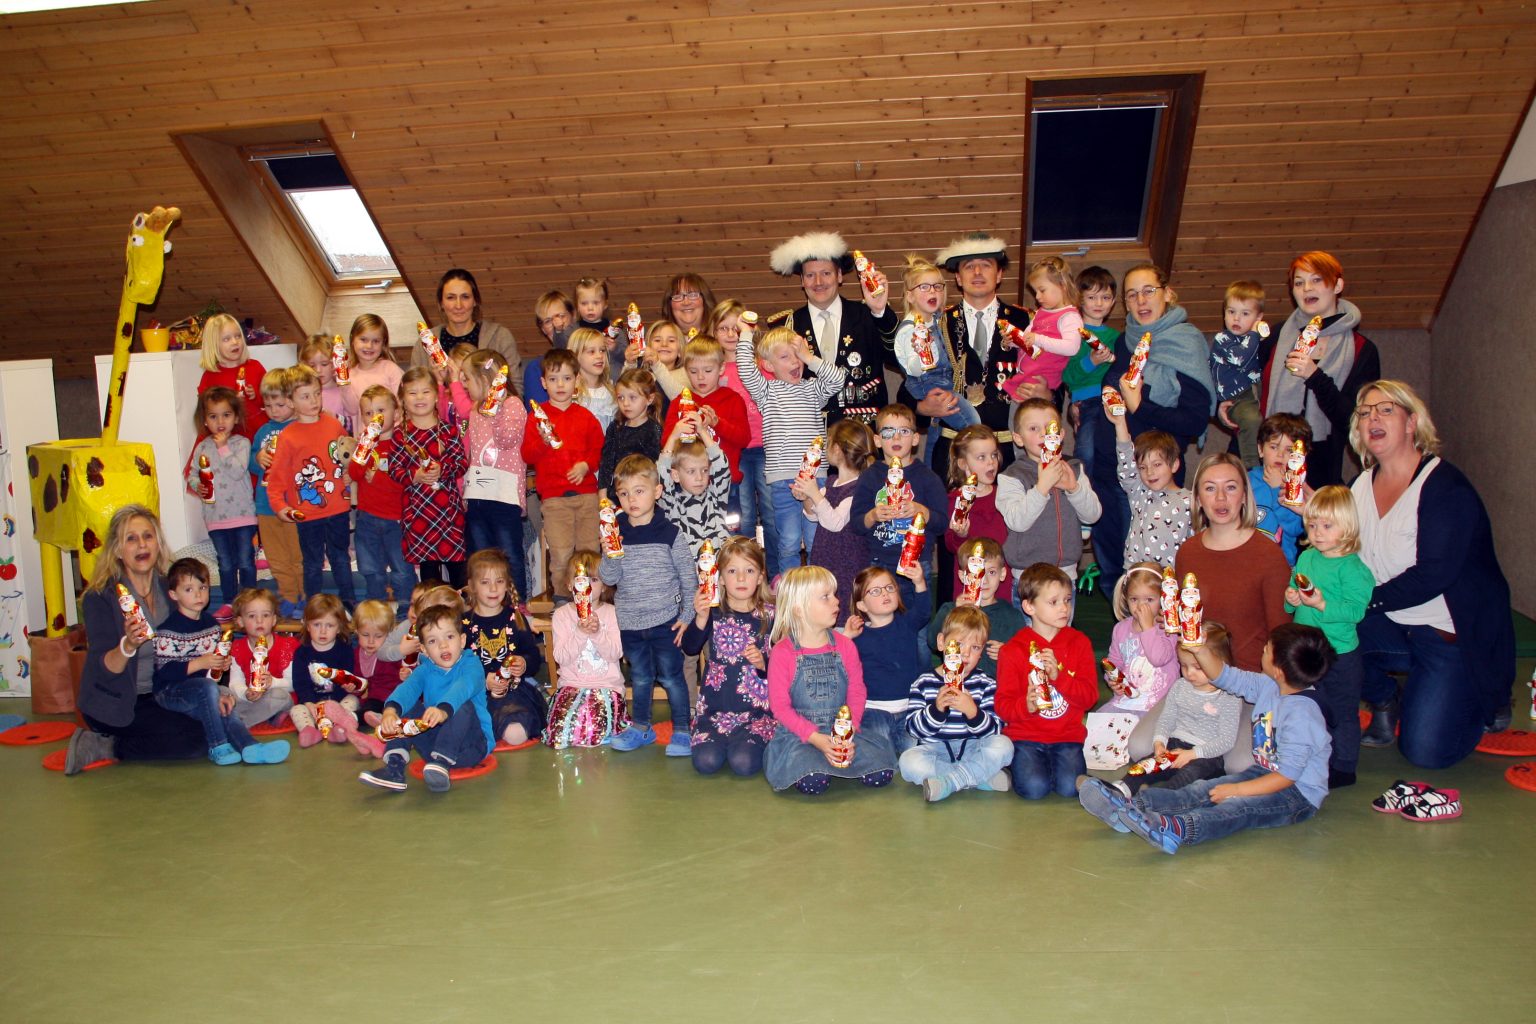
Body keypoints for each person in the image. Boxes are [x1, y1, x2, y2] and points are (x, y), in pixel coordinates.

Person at [1349, 380, 1515, 769]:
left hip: (1447, 634)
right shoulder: (1359, 485)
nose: (1373, 417)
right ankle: (1387, 700)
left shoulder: (1445, 487)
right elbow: (1343, 551)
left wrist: (1362, 601)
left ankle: (1482, 693)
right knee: (1322, 628)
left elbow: (1432, 575)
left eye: (1386, 409)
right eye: (1365, 412)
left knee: (1426, 752)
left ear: (1411, 423)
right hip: (1392, 624)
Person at [1079, 623, 1335, 855]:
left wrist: (1237, 790)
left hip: (1296, 794)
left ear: (1278, 670)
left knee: (1236, 808)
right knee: (1203, 791)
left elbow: (1287, 776)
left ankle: (1176, 829)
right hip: (1264, 771)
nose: (1263, 650)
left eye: (1267, 648)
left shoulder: (1302, 715)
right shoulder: (1269, 686)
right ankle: (1130, 807)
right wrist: (1199, 649)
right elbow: (1225, 676)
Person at [1088, 263, 1215, 593]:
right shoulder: (1124, 343)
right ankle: (1123, 635)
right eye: (1132, 295)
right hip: (1108, 466)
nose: (1141, 300)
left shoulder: (1186, 343)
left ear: (1167, 294)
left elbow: (1194, 420)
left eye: (1149, 291)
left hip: (1151, 477)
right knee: (1112, 562)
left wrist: (1140, 405)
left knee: (1147, 573)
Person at [66, 507, 217, 772]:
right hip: (118, 700)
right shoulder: (100, 597)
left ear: (158, 543)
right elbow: (105, 668)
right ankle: (105, 746)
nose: (142, 545)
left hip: (163, 693)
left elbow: (192, 649)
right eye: (131, 539)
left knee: (215, 724)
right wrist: (128, 645)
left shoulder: (171, 589)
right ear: (117, 549)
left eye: (147, 536)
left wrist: (216, 691)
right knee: (195, 742)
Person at [763, 566, 896, 795]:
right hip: (801, 736)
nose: (836, 602)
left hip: (842, 730)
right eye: (825, 597)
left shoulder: (845, 645)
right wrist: (817, 739)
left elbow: (856, 691)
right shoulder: (783, 652)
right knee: (812, 780)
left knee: (882, 771)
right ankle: (816, 763)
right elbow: (780, 708)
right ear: (798, 609)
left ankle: (838, 756)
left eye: (833, 595)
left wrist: (849, 731)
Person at [600, 454, 696, 756]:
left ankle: (682, 729)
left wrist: (687, 615)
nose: (631, 499)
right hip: (630, 623)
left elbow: (688, 576)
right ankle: (641, 727)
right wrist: (610, 552)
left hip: (666, 622)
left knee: (671, 676)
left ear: (657, 491)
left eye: (639, 491)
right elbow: (608, 577)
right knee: (640, 678)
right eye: (624, 493)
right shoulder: (615, 531)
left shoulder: (670, 533)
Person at [1259, 251, 1380, 488]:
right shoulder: (1276, 337)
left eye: (1316, 280)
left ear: (1337, 285)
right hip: (1272, 468)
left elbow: (1354, 419)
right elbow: (1253, 389)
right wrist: (1229, 402)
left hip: (1322, 474)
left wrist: (1315, 376)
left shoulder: (1361, 349)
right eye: (1299, 283)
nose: (1307, 289)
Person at [151, 558, 288, 765]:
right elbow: (165, 673)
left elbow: (216, 672)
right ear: (173, 595)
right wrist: (201, 663)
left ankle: (250, 747)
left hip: (204, 691)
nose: (198, 594)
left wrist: (222, 672)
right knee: (207, 689)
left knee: (225, 710)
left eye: (203, 587)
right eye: (188, 589)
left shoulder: (212, 625)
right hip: (170, 692)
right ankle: (218, 746)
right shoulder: (168, 629)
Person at [734, 324, 847, 575]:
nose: (795, 362)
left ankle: (818, 589)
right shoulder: (767, 392)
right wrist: (745, 333)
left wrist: (810, 357)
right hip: (782, 478)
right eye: (785, 357)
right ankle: (789, 590)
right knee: (789, 542)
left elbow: (838, 379)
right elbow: (745, 369)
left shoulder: (813, 389)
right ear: (769, 366)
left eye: (798, 356)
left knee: (817, 539)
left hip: (815, 479)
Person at [1286, 485, 1374, 787]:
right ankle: (1308, 755)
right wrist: (1292, 597)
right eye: (1312, 525)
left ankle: (1344, 767)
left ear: (1347, 527)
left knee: (1342, 712)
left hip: (1339, 654)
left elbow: (1354, 611)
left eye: (1327, 525)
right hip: (1304, 649)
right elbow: (1292, 590)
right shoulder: (1308, 558)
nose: (1318, 532)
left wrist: (1322, 604)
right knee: (1308, 706)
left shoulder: (1353, 569)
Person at [923, 232, 1031, 479]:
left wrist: (1045, 390)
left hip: (1010, 451)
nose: (978, 273)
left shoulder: (1026, 321)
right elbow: (910, 387)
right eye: (969, 267)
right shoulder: (935, 324)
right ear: (958, 278)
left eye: (986, 265)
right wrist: (922, 406)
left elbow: (1052, 379)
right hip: (953, 451)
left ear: (999, 274)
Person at [765, 230, 897, 426]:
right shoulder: (785, 326)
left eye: (826, 273)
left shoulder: (867, 315)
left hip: (862, 435)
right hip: (808, 435)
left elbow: (897, 359)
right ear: (802, 281)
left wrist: (880, 311)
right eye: (810, 275)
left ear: (840, 276)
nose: (818, 282)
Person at [359, 605, 495, 794]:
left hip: (472, 746)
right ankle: (394, 768)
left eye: (449, 637)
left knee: (464, 706)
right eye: (433, 641)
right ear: (424, 649)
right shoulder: (425, 669)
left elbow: (462, 688)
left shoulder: (472, 665)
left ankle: (441, 763)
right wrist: (390, 712)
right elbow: (407, 689)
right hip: (434, 746)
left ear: (462, 640)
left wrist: (442, 710)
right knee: (408, 706)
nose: (443, 645)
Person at [1175, 454, 1292, 672]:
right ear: (1198, 499)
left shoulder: (1269, 556)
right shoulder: (1187, 553)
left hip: (1251, 683)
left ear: (1245, 496)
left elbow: (1282, 636)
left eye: (1230, 488)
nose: (1220, 498)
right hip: (1196, 678)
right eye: (1210, 488)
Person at [995, 564, 1098, 799]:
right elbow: (1003, 705)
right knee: (1034, 789)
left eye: (1068, 600)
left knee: (1070, 788)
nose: (1064, 608)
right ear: (1029, 606)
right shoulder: (1012, 650)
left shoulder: (1079, 643)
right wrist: (1027, 705)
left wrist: (1059, 678)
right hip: (1026, 737)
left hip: (1067, 736)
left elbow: (1090, 697)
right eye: (1054, 602)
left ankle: (1047, 767)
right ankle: (1011, 767)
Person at [1108, 624, 1242, 797]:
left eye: (1198, 667)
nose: (1189, 673)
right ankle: (1121, 790)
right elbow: (1167, 718)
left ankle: (1155, 799)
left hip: (1206, 756)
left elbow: (1226, 740)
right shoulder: (1180, 686)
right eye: (1184, 666)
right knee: (1143, 766)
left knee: (1187, 777)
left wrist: (1192, 754)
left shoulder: (1229, 696)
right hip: (1175, 744)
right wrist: (1159, 742)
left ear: (1221, 663)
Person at [899, 605, 1013, 802]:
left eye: (975, 647)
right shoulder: (924, 683)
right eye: (958, 645)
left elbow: (996, 728)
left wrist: (973, 713)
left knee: (1004, 745)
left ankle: (950, 782)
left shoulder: (986, 684)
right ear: (942, 643)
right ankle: (977, 777)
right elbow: (914, 730)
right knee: (908, 761)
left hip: (974, 748)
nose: (966, 654)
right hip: (936, 752)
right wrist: (936, 710)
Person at [682, 537, 775, 777]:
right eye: (732, 571)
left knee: (743, 763)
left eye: (749, 570)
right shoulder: (713, 612)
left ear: (761, 575)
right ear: (720, 578)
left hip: (757, 712)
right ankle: (720, 738)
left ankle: (752, 742)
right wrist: (700, 617)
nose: (741, 578)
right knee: (706, 762)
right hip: (715, 710)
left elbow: (787, 665)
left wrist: (764, 663)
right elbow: (690, 648)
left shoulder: (771, 615)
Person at [266, 364, 356, 607]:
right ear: (291, 401)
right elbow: (276, 478)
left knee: (340, 558)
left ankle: (349, 600)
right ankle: (313, 606)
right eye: (305, 396)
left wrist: (348, 474)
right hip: (308, 514)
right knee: (313, 562)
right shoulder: (288, 435)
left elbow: (346, 456)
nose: (314, 400)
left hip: (337, 509)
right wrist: (280, 506)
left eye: (317, 393)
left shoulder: (333, 424)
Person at [520, 349, 603, 600]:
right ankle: (562, 599)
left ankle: (594, 597)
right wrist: (543, 441)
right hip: (554, 500)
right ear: (544, 383)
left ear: (576, 380)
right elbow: (527, 456)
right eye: (554, 379)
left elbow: (599, 450)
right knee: (561, 553)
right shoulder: (537, 417)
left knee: (590, 550)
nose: (560, 385)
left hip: (587, 496)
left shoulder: (586, 417)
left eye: (566, 378)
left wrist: (586, 466)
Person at [997, 398, 1101, 594]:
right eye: (1033, 428)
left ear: (1061, 435)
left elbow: (1093, 515)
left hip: (1066, 575)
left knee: (1063, 625)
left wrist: (1074, 488)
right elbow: (1017, 521)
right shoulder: (1011, 476)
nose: (1043, 434)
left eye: (1049, 427)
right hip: (1028, 577)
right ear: (1018, 438)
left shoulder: (1074, 469)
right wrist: (1041, 487)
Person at [850, 403, 950, 604]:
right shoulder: (869, 477)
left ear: (915, 439)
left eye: (904, 431)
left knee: (917, 623)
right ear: (877, 440)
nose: (896, 438)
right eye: (888, 432)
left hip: (916, 564)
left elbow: (942, 525)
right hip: (877, 563)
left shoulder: (928, 478)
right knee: (879, 623)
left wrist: (922, 511)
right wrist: (873, 515)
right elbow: (856, 523)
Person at [452, 349, 530, 602]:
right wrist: (466, 489)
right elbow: (473, 452)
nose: (463, 384)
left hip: (504, 496)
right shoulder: (474, 409)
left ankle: (517, 605)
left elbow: (507, 440)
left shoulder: (512, 405)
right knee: (479, 553)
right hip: (478, 494)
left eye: (467, 378)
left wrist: (494, 408)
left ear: (486, 380)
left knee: (509, 553)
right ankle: (482, 604)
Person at [890, 254, 978, 463]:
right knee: (972, 422)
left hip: (945, 381)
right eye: (924, 287)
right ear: (910, 296)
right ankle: (972, 462)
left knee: (937, 432)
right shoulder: (909, 329)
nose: (933, 291)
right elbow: (912, 368)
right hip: (928, 384)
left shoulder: (940, 320)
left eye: (937, 287)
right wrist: (920, 354)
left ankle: (931, 472)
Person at [390, 367, 468, 588]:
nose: (419, 398)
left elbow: (462, 464)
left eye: (425, 392)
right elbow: (394, 470)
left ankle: (461, 615)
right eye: (412, 393)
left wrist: (442, 469)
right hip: (419, 515)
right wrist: (415, 475)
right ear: (403, 399)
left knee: (457, 570)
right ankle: (432, 615)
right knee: (429, 573)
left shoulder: (448, 431)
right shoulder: (399, 435)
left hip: (449, 513)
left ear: (436, 396)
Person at [844, 563, 931, 758]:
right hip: (873, 710)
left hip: (909, 707)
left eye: (890, 588)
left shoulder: (906, 623)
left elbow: (924, 611)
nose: (885, 593)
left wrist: (919, 582)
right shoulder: (858, 635)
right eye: (875, 591)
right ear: (862, 605)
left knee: (912, 751)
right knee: (879, 753)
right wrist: (847, 638)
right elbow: (837, 661)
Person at [462, 548, 546, 748]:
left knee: (516, 733)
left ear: (507, 585)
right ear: (472, 586)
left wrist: (524, 663)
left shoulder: (515, 618)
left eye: (499, 581)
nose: (493, 589)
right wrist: (482, 680)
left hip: (513, 693)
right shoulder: (463, 623)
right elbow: (456, 665)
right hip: (474, 693)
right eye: (485, 582)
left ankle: (493, 728)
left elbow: (533, 656)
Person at [546, 551, 629, 749]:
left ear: (604, 586)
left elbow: (615, 653)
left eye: (594, 579)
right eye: (580, 580)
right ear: (569, 585)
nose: (588, 586)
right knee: (560, 734)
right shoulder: (561, 615)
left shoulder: (612, 613)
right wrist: (580, 632)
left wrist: (598, 632)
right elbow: (561, 657)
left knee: (594, 726)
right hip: (572, 686)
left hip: (606, 688)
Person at [709, 299, 772, 550]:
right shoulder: (715, 371)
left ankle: (774, 571)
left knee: (770, 509)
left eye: (737, 328)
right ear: (713, 332)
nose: (730, 334)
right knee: (743, 512)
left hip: (766, 445)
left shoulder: (762, 365)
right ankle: (743, 563)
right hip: (736, 450)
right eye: (723, 328)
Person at [187, 386, 256, 610]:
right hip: (215, 517)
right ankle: (229, 602)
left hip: (243, 515)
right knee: (226, 563)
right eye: (213, 416)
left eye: (226, 415)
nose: (220, 422)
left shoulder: (241, 444)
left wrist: (223, 447)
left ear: (235, 417)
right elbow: (192, 475)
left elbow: (237, 471)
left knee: (245, 559)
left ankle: (250, 601)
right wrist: (199, 487)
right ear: (205, 420)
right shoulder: (202, 448)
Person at [348, 385, 415, 610]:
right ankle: (375, 608)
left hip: (396, 519)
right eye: (368, 413)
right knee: (370, 567)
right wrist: (364, 449)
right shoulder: (364, 444)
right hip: (367, 517)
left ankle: (406, 610)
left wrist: (383, 475)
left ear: (396, 414)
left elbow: (408, 478)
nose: (374, 417)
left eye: (380, 411)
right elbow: (354, 473)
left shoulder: (402, 442)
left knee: (401, 568)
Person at [801, 417, 877, 617]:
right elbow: (814, 516)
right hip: (826, 558)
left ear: (837, 449)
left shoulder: (859, 487)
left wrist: (815, 493)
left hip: (847, 563)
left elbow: (835, 523)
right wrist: (807, 497)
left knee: (845, 610)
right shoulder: (832, 481)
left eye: (828, 442)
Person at [925, 537, 1024, 680]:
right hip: (956, 686)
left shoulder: (1011, 615)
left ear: (1002, 574)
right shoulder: (951, 609)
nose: (984, 581)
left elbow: (1024, 656)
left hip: (995, 692)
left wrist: (1008, 652)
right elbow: (933, 641)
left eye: (991, 572)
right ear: (963, 576)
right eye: (976, 573)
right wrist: (955, 611)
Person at [661, 334, 749, 490]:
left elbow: (744, 439)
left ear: (721, 368)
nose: (700, 377)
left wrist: (717, 423)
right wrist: (678, 431)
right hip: (688, 485)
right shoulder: (679, 402)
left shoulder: (733, 399)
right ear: (686, 371)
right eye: (693, 372)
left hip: (725, 482)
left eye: (708, 370)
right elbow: (665, 443)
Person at [250, 368, 302, 616]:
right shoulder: (262, 432)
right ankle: (289, 595)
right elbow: (251, 464)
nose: (274, 410)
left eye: (280, 404)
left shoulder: (300, 428)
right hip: (265, 505)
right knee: (276, 557)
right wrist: (257, 457)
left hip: (294, 504)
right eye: (268, 405)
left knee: (298, 554)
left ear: (293, 401)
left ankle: (304, 595)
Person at [1062, 265, 1119, 484]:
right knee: (1085, 452)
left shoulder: (1116, 337)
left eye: (1105, 297)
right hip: (1085, 402)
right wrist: (1092, 361)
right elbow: (1068, 377)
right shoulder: (1072, 335)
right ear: (1080, 300)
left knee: (1113, 454)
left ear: (1113, 302)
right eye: (1092, 297)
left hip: (1111, 400)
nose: (1098, 303)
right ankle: (1082, 494)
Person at [999, 255, 1083, 395]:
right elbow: (1027, 338)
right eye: (1035, 291)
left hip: (1044, 379)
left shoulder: (1069, 316)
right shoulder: (1040, 313)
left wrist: (1038, 339)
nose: (1037, 297)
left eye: (1042, 290)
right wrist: (1013, 341)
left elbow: (1072, 348)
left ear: (1062, 286)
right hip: (1025, 375)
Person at [940, 424, 1006, 600]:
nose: (991, 462)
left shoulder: (1005, 494)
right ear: (963, 463)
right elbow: (950, 545)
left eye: (993, 455)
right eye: (981, 457)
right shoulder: (955, 500)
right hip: (971, 586)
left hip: (1002, 582)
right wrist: (960, 534)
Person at [1112, 424, 1192, 569]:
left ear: (1174, 465)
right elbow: (1126, 463)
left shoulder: (1189, 500)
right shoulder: (1140, 493)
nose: (1150, 472)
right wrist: (1120, 423)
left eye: (1157, 464)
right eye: (1143, 467)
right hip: (1136, 573)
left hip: (1170, 576)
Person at [1209, 280, 1269, 468]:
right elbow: (1239, 358)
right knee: (1252, 420)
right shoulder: (1223, 338)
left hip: (1251, 392)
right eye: (1231, 312)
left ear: (1258, 318)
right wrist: (1254, 333)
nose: (1236, 319)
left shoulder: (1258, 340)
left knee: (1261, 423)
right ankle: (1252, 465)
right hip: (1234, 396)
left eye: (1245, 314)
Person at [289, 593, 361, 748]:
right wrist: (309, 703)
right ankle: (308, 730)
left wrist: (345, 690)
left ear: (339, 628)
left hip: (338, 703)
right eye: (317, 625)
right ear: (307, 626)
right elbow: (300, 683)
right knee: (296, 709)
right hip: (312, 705)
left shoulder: (345, 651)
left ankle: (339, 728)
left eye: (329, 625)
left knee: (353, 701)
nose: (322, 631)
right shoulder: (302, 652)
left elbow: (347, 678)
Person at [226, 587, 299, 729]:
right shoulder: (237, 647)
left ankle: (237, 724)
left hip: (279, 695)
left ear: (273, 620)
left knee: (280, 696)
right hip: (250, 699)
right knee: (221, 692)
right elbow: (235, 682)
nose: (259, 621)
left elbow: (293, 683)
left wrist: (272, 682)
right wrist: (245, 693)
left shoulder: (287, 646)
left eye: (265, 615)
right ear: (240, 621)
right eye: (252, 616)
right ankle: (265, 716)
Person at [428, 268, 519, 381]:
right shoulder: (426, 343)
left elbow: (515, 386)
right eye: (451, 297)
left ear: (475, 301)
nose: (458, 305)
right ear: (441, 303)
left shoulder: (500, 337)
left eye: (465, 297)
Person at [1250, 413, 1310, 565]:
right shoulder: (1245, 481)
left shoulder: (1300, 489)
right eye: (1273, 446)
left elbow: (1295, 528)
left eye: (1290, 450)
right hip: (1245, 561)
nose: (1280, 454)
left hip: (1280, 564)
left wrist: (1278, 489)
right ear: (1260, 449)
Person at [196, 312, 267, 438]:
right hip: (226, 437)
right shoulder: (210, 376)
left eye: (238, 336)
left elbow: (271, 400)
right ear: (214, 345)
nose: (235, 342)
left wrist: (255, 396)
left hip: (256, 434)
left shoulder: (255, 367)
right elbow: (204, 412)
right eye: (226, 339)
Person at [598, 367, 664, 499]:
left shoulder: (654, 430)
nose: (625, 403)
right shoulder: (615, 427)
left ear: (649, 399)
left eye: (632, 397)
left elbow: (656, 470)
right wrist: (603, 496)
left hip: (643, 497)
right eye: (620, 398)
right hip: (616, 495)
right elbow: (606, 463)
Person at [339, 313, 403, 430]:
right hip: (365, 442)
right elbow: (352, 409)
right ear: (353, 340)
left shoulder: (390, 369)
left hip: (393, 439)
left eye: (376, 341)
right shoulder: (349, 375)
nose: (369, 346)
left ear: (383, 343)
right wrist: (344, 383)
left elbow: (402, 404)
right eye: (363, 339)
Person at [350, 599, 402, 723]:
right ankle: (354, 716)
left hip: (390, 698)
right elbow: (356, 679)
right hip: (368, 699)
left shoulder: (391, 653)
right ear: (357, 631)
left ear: (389, 634)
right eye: (365, 635)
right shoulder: (355, 654)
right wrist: (353, 687)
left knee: (372, 707)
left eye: (378, 636)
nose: (371, 641)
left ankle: (354, 717)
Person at [524, 290, 574, 403]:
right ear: (543, 329)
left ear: (573, 316)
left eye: (561, 316)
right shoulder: (536, 369)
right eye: (547, 321)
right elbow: (537, 413)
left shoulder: (594, 358)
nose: (556, 324)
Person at [624, 319, 688, 400]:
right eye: (657, 340)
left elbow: (680, 399)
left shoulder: (686, 374)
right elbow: (624, 393)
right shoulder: (642, 374)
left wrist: (657, 365)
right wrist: (630, 364)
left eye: (671, 340)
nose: (664, 344)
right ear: (647, 347)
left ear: (680, 351)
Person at [570, 327, 618, 431]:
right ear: (576, 356)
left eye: (602, 350)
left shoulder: (611, 391)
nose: (599, 356)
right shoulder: (572, 393)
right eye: (591, 352)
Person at [298, 335, 350, 431]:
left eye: (324, 364)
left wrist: (336, 418)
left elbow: (352, 425)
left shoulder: (344, 391)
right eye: (312, 365)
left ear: (335, 363)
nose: (318, 370)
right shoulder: (300, 393)